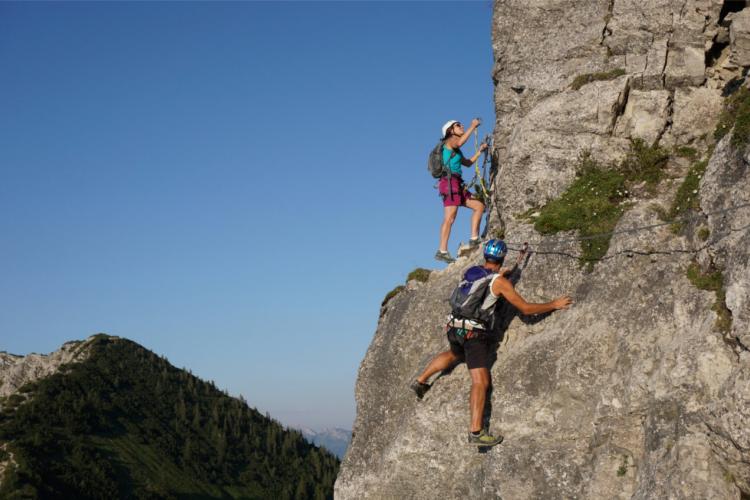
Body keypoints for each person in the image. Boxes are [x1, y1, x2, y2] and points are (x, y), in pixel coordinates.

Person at [411, 239, 573, 446]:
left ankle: (421, 380)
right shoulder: (500, 282)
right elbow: (526, 309)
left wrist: (515, 265)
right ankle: (476, 432)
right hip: (474, 335)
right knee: (481, 381)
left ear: (486, 257)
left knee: (454, 354)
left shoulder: (473, 271)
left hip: (454, 327)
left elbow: (489, 282)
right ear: (502, 258)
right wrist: (554, 304)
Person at [435, 118, 488, 264]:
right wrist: (472, 126)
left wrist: (480, 151)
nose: (461, 126)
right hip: (449, 183)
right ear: (450, 131)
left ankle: (473, 239)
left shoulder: (456, 150)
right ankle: (442, 250)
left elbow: (468, 163)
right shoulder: (450, 142)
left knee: (479, 206)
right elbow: (459, 142)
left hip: (457, 184)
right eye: (458, 125)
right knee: (450, 217)